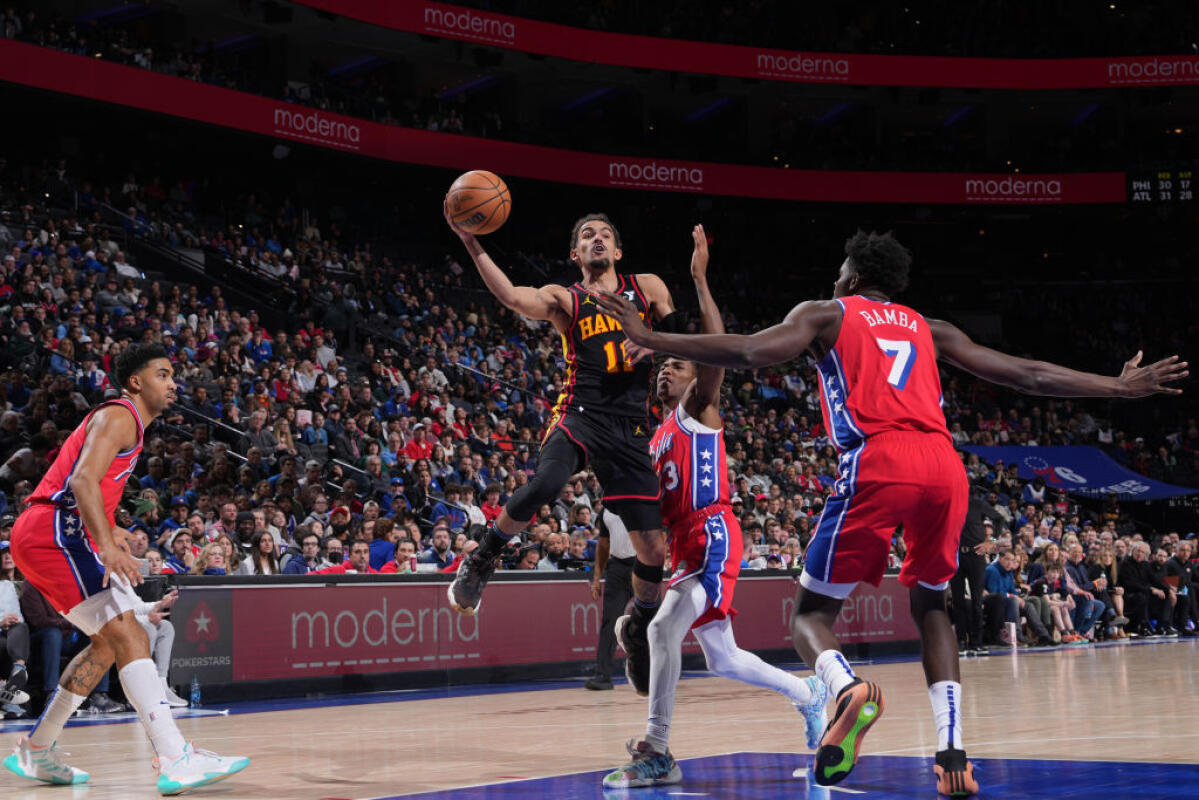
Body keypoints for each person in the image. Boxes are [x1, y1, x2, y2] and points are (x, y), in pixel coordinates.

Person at [598, 229, 1186, 795]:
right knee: (932, 606)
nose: (834, 281)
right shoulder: (930, 328)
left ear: (853, 277)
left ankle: (845, 689)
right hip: (944, 466)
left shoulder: (827, 313)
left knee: (810, 616)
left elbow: (750, 352)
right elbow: (1026, 373)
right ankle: (952, 753)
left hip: (877, 458)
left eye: (839, 273)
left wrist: (653, 338)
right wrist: (1117, 387)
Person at [604, 227, 827, 789]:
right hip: (683, 543)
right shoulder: (655, 435)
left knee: (662, 631)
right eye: (662, 367)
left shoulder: (698, 408)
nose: (666, 369)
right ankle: (808, 693)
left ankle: (657, 749)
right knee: (722, 658)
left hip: (712, 533)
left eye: (676, 365)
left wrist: (700, 280)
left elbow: (717, 346)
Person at [444, 206, 683, 697]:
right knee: (547, 483)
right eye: (587, 235)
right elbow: (513, 296)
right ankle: (484, 557)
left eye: (605, 234)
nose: (597, 239)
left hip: (632, 427)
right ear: (575, 253)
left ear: (618, 250)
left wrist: (654, 343)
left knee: (653, 549)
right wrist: (470, 241)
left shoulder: (648, 287)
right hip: (581, 414)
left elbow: (682, 343)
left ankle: (639, 627)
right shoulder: (567, 298)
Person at [5, 343, 249, 792]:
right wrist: (104, 543)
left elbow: (88, 484)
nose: (173, 383)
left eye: (172, 375)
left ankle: (37, 749)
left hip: (52, 533)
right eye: (162, 374)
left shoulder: (127, 424)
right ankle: (175, 757)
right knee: (130, 634)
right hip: (54, 532)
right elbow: (80, 480)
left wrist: (110, 526)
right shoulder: (120, 415)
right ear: (135, 382)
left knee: (107, 644)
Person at [586, 508, 636, 691]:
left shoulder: (643, 500)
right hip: (617, 568)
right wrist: (596, 578)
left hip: (643, 565)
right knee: (610, 623)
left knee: (654, 621)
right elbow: (603, 544)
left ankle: (664, 670)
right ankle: (603, 675)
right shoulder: (606, 511)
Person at [950, 494, 997, 654]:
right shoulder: (948, 502)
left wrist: (991, 542)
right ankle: (961, 641)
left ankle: (977, 642)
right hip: (955, 555)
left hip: (976, 554)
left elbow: (999, 519)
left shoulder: (976, 503)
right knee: (958, 601)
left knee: (977, 601)